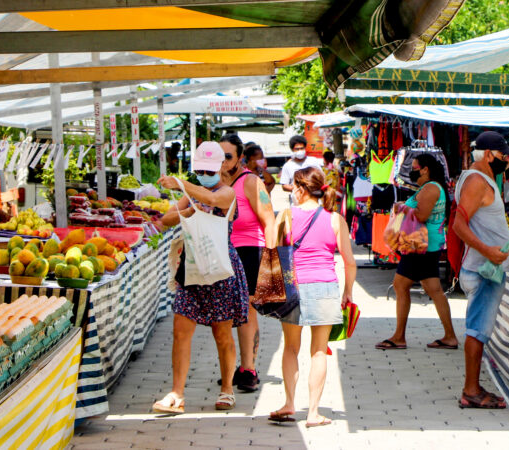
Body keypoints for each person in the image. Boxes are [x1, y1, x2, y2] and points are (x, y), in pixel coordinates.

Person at [152, 141, 249, 414]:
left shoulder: (227, 191)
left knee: (222, 334)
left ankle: (227, 389)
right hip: (191, 268)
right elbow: (167, 220)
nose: (204, 174)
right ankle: (177, 393)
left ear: (221, 166)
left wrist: (182, 185)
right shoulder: (192, 193)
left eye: (208, 169)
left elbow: (214, 201)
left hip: (220, 269)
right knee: (180, 332)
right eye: (200, 170)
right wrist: (188, 210)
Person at [269, 167, 356, 427]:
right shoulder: (334, 219)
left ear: (301, 189)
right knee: (319, 351)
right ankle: (314, 413)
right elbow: (350, 262)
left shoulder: (286, 215)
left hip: (292, 288)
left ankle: (289, 403)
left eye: (295, 186)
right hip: (324, 287)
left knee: (291, 348)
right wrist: (348, 291)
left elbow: (271, 248)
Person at [452, 131, 509, 409]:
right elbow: (458, 224)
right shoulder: (477, 181)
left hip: (486, 268)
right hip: (484, 270)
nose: (507, 159)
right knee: (477, 331)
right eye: (503, 154)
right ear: (488, 155)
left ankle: (474, 386)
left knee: (478, 329)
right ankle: (471, 391)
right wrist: (489, 251)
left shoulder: (480, 177)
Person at [376, 154, 458, 350]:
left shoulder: (430, 188)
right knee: (434, 290)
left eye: (414, 167)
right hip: (426, 245)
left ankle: (399, 337)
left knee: (400, 285)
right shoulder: (431, 187)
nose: (411, 172)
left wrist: (402, 207)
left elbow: (421, 214)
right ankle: (450, 336)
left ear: (425, 169)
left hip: (419, 246)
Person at [218, 134, 275, 392]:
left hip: (248, 249)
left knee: (247, 310)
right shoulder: (213, 182)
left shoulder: (250, 182)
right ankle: (234, 366)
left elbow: (269, 219)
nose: (223, 161)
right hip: (220, 251)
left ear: (240, 157)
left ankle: (249, 368)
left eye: (228, 156)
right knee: (225, 313)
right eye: (219, 155)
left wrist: (272, 260)